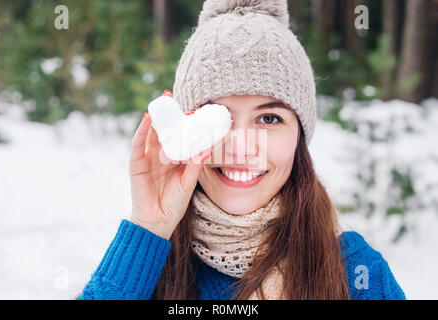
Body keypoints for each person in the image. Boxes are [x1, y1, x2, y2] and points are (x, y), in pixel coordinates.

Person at [77, 0, 406, 300]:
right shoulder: (145, 266)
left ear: (299, 139)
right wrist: (149, 227)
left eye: (268, 118)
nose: (241, 147)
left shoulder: (359, 276)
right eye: (216, 116)